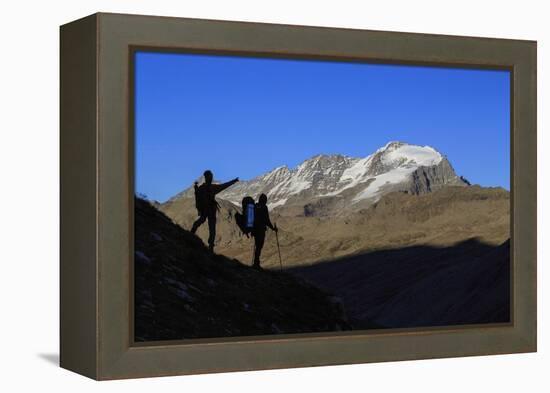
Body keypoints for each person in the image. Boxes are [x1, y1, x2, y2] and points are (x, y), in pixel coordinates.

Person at [190, 170, 239, 252]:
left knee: (211, 228)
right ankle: (194, 234)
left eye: (211, 176)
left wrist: (233, 181)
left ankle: (210, 246)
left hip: (210, 210)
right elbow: (198, 198)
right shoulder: (206, 188)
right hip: (207, 210)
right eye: (210, 176)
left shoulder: (208, 188)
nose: (211, 177)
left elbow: (224, 185)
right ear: (206, 177)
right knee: (208, 225)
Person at [252, 193, 278, 269]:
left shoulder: (255, 207)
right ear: (265, 200)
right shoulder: (264, 207)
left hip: (255, 230)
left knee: (257, 246)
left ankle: (256, 263)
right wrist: (273, 228)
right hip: (261, 230)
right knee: (259, 246)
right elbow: (267, 220)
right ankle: (256, 264)